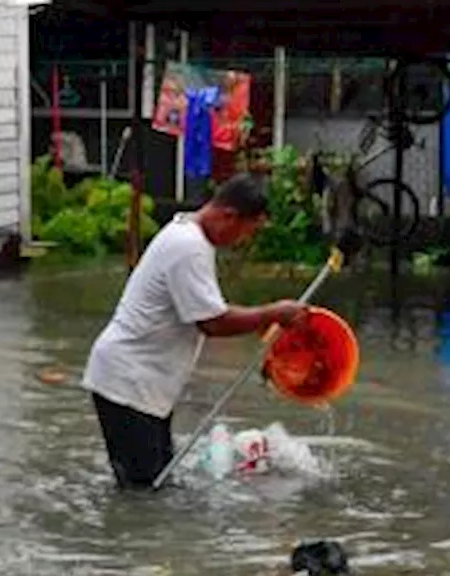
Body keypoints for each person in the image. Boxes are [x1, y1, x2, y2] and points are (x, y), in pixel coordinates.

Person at [81, 173, 307, 490]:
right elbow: (212, 322)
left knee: (157, 482)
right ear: (229, 216)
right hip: (129, 384)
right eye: (246, 232)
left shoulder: (186, 233)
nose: (242, 242)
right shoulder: (189, 246)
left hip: (143, 385)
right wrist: (271, 313)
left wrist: (259, 320)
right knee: (143, 491)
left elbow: (207, 310)